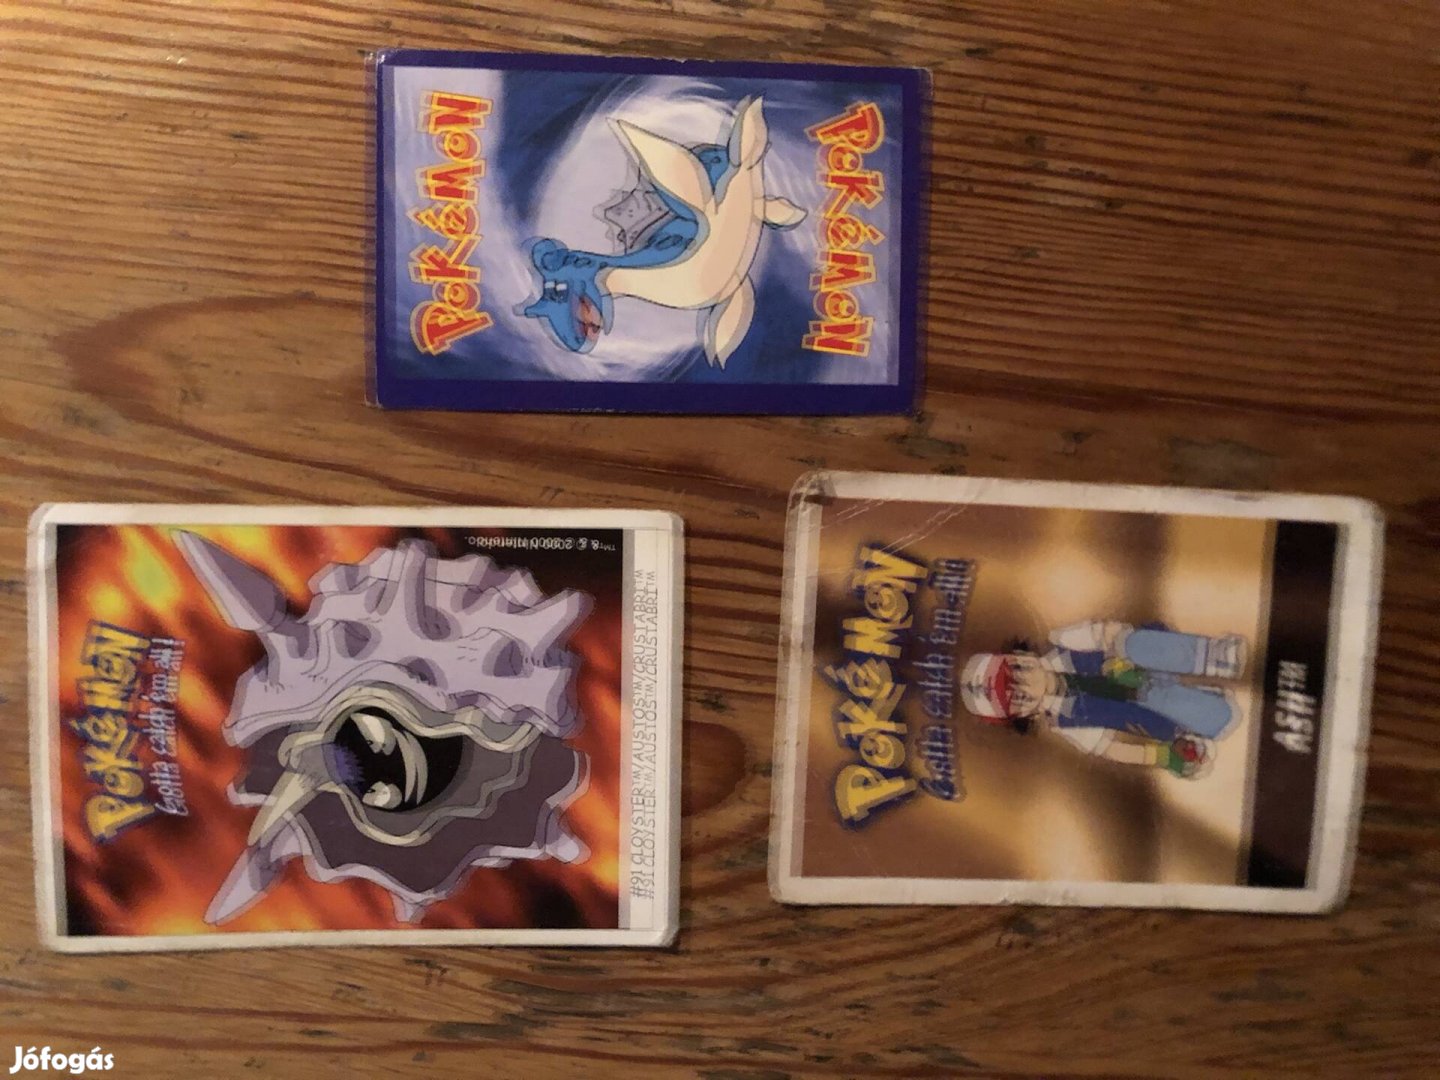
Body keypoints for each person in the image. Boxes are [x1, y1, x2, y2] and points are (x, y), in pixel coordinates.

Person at [958, 620, 1248, 778]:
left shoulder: (1062, 642)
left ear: (1021, 654)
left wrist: (1118, 656)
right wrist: (1163, 757)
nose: (1027, 683)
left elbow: (1108, 632)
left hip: (1149, 656)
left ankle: (1213, 656)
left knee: (1133, 644)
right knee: (1210, 716)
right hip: (1149, 705)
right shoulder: (1067, 722)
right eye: (1018, 695)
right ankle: (1209, 712)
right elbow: (1111, 748)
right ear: (1024, 715)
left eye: (1017, 671)